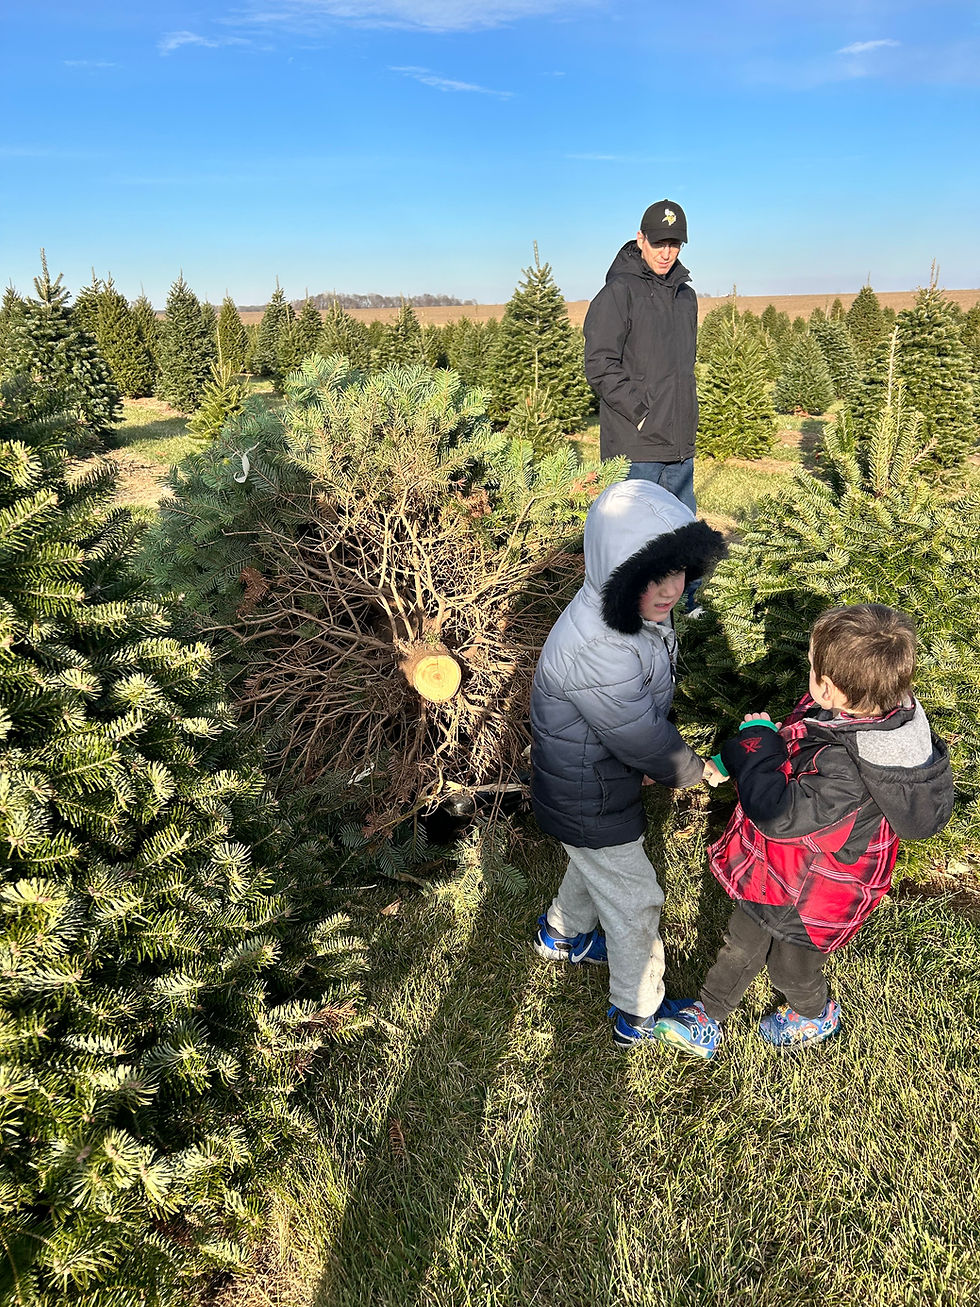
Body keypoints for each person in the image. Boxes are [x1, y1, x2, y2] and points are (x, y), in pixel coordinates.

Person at [654, 604, 954, 1061]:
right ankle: (708, 1015)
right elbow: (800, 741)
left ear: (831, 689)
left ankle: (815, 1013)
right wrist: (748, 751)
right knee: (742, 942)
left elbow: (777, 814)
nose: (808, 676)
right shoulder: (872, 712)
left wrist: (759, 743)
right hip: (790, 874)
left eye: (813, 670)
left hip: (816, 892)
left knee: (791, 969)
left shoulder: (846, 767)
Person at [529, 478, 726, 1048]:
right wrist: (693, 770)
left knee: (595, 864)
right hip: (586, 789)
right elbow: (640, 735)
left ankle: (561, 936)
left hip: (588, 779)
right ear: (619, 575)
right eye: (653, 578)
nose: (670, 591)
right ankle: (638, 1010)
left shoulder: (626, 617)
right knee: (636, 897)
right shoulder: (600, 646)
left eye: (678, 573)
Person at [583, 199, 698, 514]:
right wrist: (640, 411)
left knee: (681, 541)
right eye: (659, 243)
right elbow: (599, 363)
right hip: (636, 447)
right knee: (633, 543)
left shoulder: (686, 297)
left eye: (674, 244)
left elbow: (684, 367)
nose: (666, 253)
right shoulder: (619, 292)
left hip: (680, 448)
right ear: (641, 239)